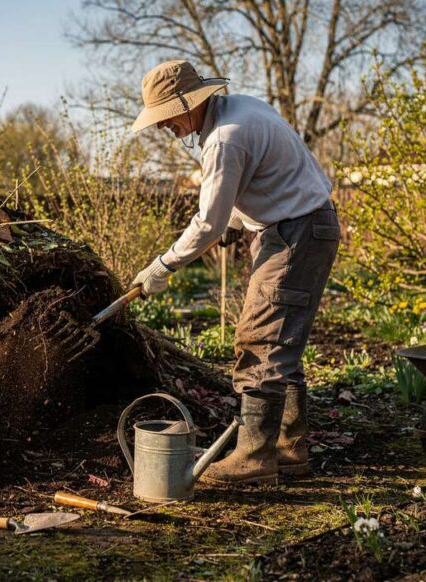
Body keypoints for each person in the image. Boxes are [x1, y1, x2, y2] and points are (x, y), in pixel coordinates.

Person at [129, 60, 340, 484]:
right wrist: (237, 223)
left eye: (165, 117)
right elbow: (265, 178)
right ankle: (289, 447)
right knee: (281, 337)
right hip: (303, 226)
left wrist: (163, 264)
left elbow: (207, 222)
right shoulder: (242, 108)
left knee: (260, 338)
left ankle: (255, 456)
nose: (161, 127)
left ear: (190, 104)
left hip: (295, 233)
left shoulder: (224, 139)